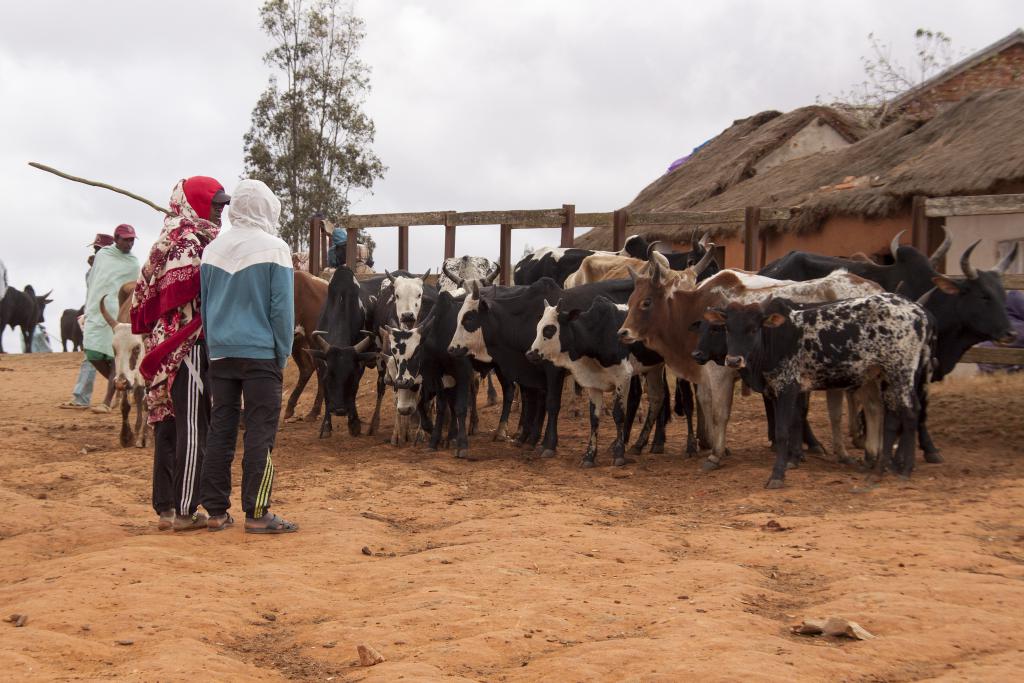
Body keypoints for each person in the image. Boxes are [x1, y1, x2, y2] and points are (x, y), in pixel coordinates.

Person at [199, 179, 297, 534]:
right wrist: (282, 355)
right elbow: (282, 311)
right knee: (260, 432)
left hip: (221, 354)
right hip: (260, 356)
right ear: (267, 208)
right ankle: (257, 513)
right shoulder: (275, 248)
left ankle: (215, 511)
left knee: (220, 429)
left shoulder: (213, 250)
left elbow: (206, 306)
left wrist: (215, 347)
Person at [131, 177, 229, 532]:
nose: (221, 211)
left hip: (164, 345)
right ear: (197, 203)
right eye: (216, 204)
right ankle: (186, 509)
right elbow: (182, 292)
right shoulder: (187, 241)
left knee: (169, 425)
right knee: (191, 426)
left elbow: (144, 295)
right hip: (185, 346)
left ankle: (166, 508)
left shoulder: (169, 238)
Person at [82, 225, 141, 413]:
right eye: (126, 239)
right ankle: (122, 386)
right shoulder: (103, 255)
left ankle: (107, 401)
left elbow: (132, 289)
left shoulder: (133, 263)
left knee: (116, 355)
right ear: (116, 238)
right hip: (96, 308)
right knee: (91, 352)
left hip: (117, 316)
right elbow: (94, 280)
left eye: (132, 240)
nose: (129, 243)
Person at [59, 234, 114, 410]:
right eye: (95, 249)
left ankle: (83, 397)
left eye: (98, 249)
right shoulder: (92, 272)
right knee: (96, 358)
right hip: (98, 320)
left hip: (109, 321)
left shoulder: (113, 269)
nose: (95, 252)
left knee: (100, 358)